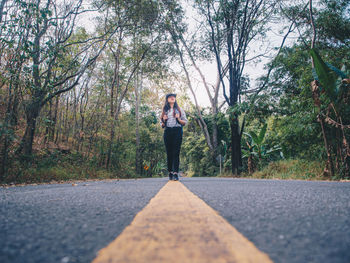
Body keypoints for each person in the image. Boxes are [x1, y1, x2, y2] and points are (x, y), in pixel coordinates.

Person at [159, 93, 188, 181]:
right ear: (167, 99)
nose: (172, 98)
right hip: (168, 131)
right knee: (169, 153)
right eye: (170, 97)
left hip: (177, 131)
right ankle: (170, 172)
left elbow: (185, 122)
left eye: (174, 97)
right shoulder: (164, 110)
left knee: (176, 152)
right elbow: (162, 125)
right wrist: (164, 120)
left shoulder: (180, 110)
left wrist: (178, 119)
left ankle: (175, 173)